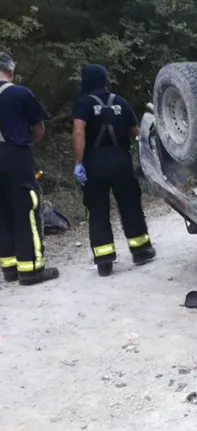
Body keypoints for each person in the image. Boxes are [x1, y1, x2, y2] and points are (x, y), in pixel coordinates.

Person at [71, 64, 156, 277]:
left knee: (98, 210)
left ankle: (104, 260)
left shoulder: (83, 104)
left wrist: (78, 163)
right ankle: (141, 250)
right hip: (121, 160)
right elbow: (137, 132)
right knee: (130, 205)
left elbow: (79, 132)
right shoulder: (120, 102)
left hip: (94, 161)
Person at [0, 52, 60, 285]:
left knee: (2, 211)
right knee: (27, 208)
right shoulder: (20, 93)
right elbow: (38, 129)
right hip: (15, 156)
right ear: (11, 70)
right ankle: (31, 269)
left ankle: (10, 268)